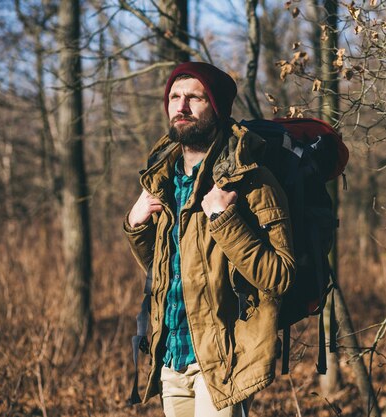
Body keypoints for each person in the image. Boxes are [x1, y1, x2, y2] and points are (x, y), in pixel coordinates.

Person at [124, 62, 295, 417]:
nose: (180, 106)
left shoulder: (252, 181)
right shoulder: (163, 182)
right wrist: (136, 226)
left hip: (223, 358)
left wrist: (225, 219)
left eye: (193, 98)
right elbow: (173, 270)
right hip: (171, 357)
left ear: (216, 108)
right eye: (174, 96)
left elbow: (280, 277)